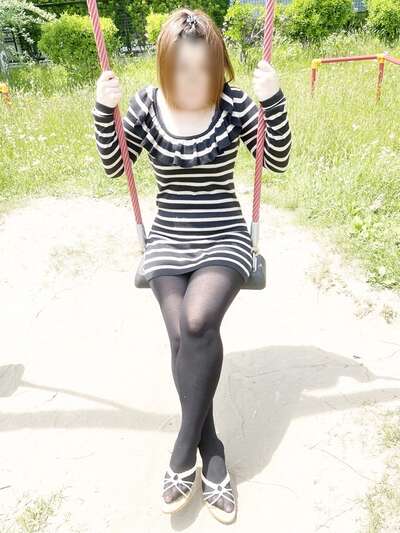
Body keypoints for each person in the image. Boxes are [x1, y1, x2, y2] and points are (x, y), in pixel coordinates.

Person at [92, 7, 292, 523]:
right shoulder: (146, 104)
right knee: (183, 335)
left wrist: (273, 100)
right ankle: (213, 449)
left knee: (197, 321)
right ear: (165, 65)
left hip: (224, 235)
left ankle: (184, 450)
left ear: (217, 63)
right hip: (167, 238)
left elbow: (276, 160)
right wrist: (102, 110)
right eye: (182, 68)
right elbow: (116, 166)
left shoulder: (233, 104)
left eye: (204, 68)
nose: (194, 79)